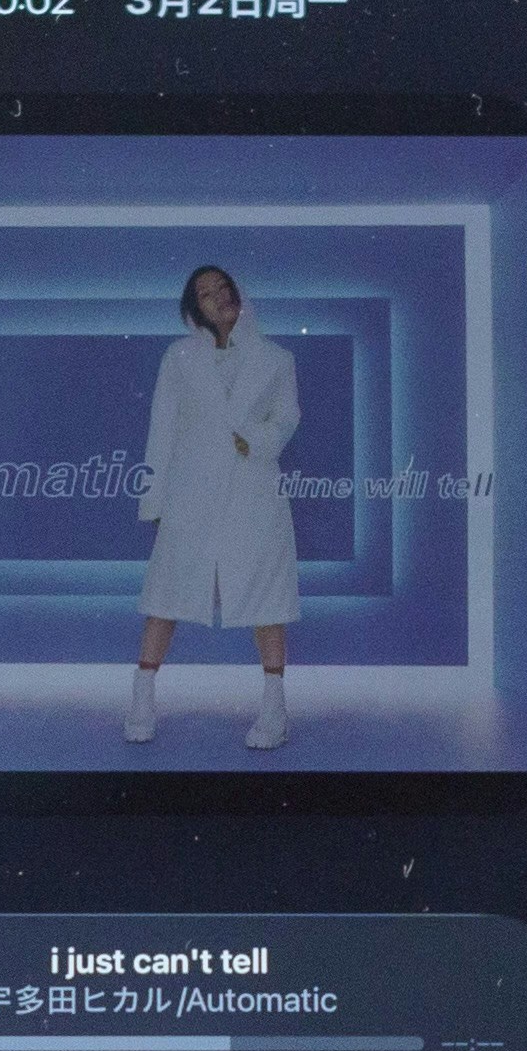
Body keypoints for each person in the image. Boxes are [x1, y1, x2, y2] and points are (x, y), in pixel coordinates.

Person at [131, 265, 303, 748]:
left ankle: (275, 708)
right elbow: (162, 430)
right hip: (191, 495)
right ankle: (141, 698)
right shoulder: (180, 358)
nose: (219, 296)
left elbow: (286, 417)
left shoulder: (276, 359)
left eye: (224, 287)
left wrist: (258, 440)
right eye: (206, 294)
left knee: (265, 597)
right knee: (166, 594)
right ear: (195, 310)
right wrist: (154, 502)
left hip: (254, 495)